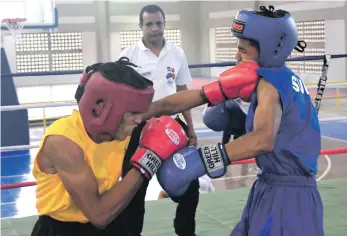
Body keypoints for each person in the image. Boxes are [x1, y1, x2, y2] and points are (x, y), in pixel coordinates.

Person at [142, 5, 324, 235]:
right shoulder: (281, 78)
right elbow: (197, 96)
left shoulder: (271, 84)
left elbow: (263, 140)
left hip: (286, 199)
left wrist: (203, 160)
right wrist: (151, 109)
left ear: (268, 48)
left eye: (243, 50)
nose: (237, 56)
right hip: (272, 190)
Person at [30, 57, 189, 236]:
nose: (140, 119)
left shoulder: (119, 124)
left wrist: (218, 91)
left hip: (107, 224)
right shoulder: (63, 142)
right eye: (134, 113)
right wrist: (148, 159)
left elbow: (165, 105)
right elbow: (99, 214)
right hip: (63, 229)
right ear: (103, 109)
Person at [118, 4, 200, 236]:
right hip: (139, 129)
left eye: (159, 23)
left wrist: (191, 130)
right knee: (134, 189)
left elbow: (184, 92)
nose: (155, 29)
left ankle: (185, 231)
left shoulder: (177, 53)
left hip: (173, 126)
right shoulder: (128, 55)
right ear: (141, 26)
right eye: (149, 24)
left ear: (164, 24)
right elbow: (119, 96)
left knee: (190, 183)